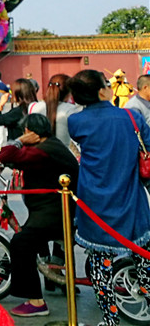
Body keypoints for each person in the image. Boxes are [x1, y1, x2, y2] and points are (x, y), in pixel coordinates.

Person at [67, 69, 150, 326]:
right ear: (102, 91)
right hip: (130, 199)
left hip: (95, 204)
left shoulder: (76, 122)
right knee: (144, 261)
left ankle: (110, 320)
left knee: (100, 266)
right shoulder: (132, 117)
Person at [0, 114, 79, 318]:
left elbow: (7, 154)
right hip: (51, 210)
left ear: (29, 132)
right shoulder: (51, 145)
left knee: (21, 242)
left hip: (56, 214)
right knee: (25, 237)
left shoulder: (44, 151)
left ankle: (36, 301)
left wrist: (18, 141)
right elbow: (20, 159)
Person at [28, 74, 82, 151]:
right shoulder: (71, 109)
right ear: (69, 93)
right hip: (62, 154)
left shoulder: (33, 106)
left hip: (37, 154)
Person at [0, 78, 37, 143]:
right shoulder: (37, 107)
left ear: (18, 94)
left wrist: (1, 104)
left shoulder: (18, 111)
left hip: (18, 145)